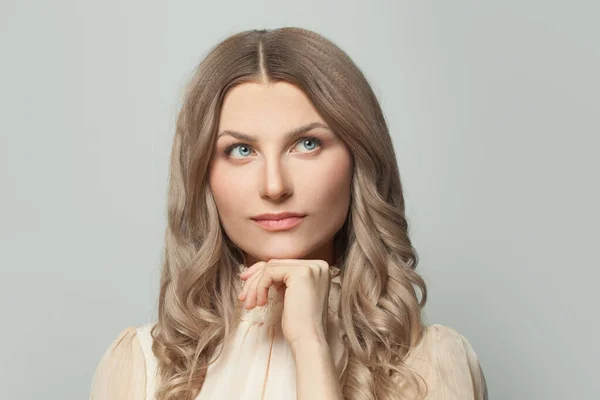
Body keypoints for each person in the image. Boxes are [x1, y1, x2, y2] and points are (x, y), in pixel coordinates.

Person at [89, 27, 488, 400]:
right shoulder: (143, 366)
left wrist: (309, 341)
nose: (275, 186)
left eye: (307, 143)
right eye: (241, 150)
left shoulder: (433, 363)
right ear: (202, 176)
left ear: (359, 160)